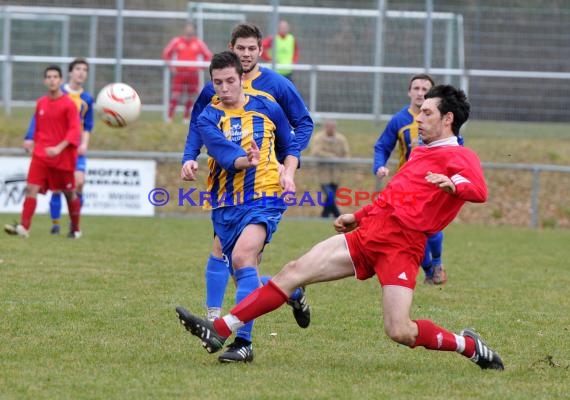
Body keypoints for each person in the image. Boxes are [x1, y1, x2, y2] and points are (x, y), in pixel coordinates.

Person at [176, 84, 505, 371]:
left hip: (402, 247)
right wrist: (358, 216)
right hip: (369, 233)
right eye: (420, 111)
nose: (418, 117)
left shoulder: (460, 157)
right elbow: (396, 197)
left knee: (400, 330)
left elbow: (479, 190)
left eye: (427, 112)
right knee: (293, 271)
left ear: (448, 119)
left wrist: (452, 185)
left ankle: (469, 346)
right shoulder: (422, 152)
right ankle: (220, 328)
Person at [181, 23, 313, 334]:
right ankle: (290, 291)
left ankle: (222, 326)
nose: (246, 53)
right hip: (226, 187)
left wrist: (284, 164)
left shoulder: (275, 88)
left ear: (259, 50)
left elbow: (301, 125)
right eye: (241, 48)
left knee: (238, 259)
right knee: (243, 266)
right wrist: (189, 156)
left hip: (264, 185)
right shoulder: (213, 91)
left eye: (252, 48)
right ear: (232, 48)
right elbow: (197, 127)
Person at [374, 74, 454, 285]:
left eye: (425, 89)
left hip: (433, 184)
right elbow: (382, 146)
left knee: (431, 228)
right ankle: (429, 269)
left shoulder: (443, 120)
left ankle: (436, 263)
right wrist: (379, 165)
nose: (420, 93)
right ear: (409, 92)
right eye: (416, 88)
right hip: (406, 186)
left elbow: (457, 146)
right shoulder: (400, 120)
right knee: (411, 233)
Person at [5, 65, 82, 239]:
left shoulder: (69, 105)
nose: (52, 80)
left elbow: (73, 131)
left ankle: (75, 228)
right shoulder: (41, 103)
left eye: (55, 77)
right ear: (44, 81)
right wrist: (31, 139)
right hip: (41, 155)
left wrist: (58, 148)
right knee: (31, 187)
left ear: (61, 80)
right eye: (49, 77)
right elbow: (38, 126)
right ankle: (24, 228)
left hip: (62, 157)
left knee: (69, 193)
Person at [23, 58, 94, 235]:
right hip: (51, 149)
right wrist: (30, 137)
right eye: (77, 69)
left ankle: (74, 224)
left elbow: (87, 126)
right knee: (55, 189)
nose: (81, 73)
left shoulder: (87, 99)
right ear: (69, 73)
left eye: (84, 70)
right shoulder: (55, 94)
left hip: (72, 149)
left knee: (77, 185)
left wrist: (84, 143)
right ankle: (54, 224)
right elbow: (38, 118)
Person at [162, 22, 212, 123]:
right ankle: (169, 117)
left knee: (191, 96)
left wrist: (200, 68)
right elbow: (166, 53)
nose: (189, 30)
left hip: (193, 74)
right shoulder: (177, 41)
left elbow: (208, 55)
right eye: (187, 28)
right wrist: (172, 66)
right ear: (184, 29)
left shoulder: (198, 43)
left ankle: (186, 118)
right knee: (175, 95)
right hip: (179, 73)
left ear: (193, 30)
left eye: (191, 28)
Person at [310, 119, 350, 218]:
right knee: (330, 195)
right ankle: (337, 214)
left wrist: (343, 162)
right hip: (323, 173)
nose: (331, 129)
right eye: (329, 126)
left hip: (336, 174)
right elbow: (316, 152)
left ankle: (325, 215)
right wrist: (332, 156)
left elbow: (346, 154)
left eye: (333, 127)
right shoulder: (319, 138)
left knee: (331, 196)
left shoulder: (341, 139)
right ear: (325, 127)